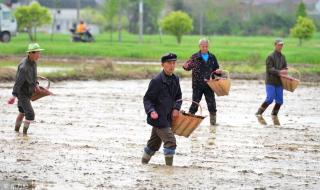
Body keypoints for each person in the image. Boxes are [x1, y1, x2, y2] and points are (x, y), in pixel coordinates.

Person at [142, 53, 182, 166]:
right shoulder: (156, 81)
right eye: (169, 63)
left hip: (168, 118)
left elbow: (179, 97)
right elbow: (147, 99)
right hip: (159, 119)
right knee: (171, 142)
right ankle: (169, 169)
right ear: (162, 65)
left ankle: (143, 164)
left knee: (153, 145)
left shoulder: (176, 79)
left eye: (174, 63)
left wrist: (176, 108)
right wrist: (151, 111)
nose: (172, 65)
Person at [7, 43, 44, 134]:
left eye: (39, 53)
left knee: (22, 112)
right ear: (31, 53)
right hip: (22, 93)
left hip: (29, 91)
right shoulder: (24, 67)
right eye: (37, 53)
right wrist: (13, 96)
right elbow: (18, 82)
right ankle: (24, 134)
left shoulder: (33, 62)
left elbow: (34, 76)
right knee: (30, 114)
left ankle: (16, 132)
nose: (39, 55)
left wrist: (36, 84)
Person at [183, 38, 221, 125]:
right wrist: (186, 65)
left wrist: (218, 71)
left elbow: (216, 70)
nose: (204, 48)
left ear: (208, 47)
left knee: (212, 105)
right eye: (203, 46)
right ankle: (188, 123)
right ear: (199, 46)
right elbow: (186, 67)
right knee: (195, 104)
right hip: (197, 85)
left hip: (209, 85)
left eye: (206, 46)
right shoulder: (195, 57)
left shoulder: (212, 57)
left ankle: (213, 124)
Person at [255, 39, 288, 117]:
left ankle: (274, 115)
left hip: (280, 82)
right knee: (270, 99)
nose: (280, 46)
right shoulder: (270, 56)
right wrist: (280, 72)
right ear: (275, 45)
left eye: (281, 45)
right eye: (279, 45)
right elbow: (269, 69)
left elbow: (285, 67)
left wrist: (285, 70)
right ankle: (259, 113)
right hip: (271, 81)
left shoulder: (283, 57)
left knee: (280, 101)